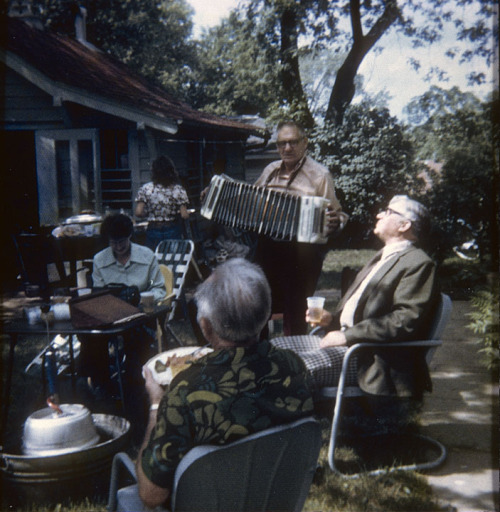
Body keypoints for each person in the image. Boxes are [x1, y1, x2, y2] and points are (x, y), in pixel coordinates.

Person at [136, 258, 314, 510]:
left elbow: (151, 495)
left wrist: (156, 405)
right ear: (264, 315)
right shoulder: (294, 367)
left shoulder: (186, 390)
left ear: (206, 327)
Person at [272, 195, 439, 399]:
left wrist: (346, 336)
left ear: (404, 225)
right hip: (351, 344)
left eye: (388, 212)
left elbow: (404, 320)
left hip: (368, 357)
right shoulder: (382, 257)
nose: (379, 215)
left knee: (289, 368)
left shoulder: (418, 263)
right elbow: (363, 310)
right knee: (268, 351)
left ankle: (285, 425)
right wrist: (331, 320)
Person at [253, 119, 345, 336]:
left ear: (305, 142)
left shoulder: (320, 174)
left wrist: (336, 223)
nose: (287, 148)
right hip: (268, 247)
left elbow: (338, 214)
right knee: (259, 303)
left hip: (302, 253)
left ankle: (294, 360)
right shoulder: (270, 171)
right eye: (281, 143)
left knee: (295, 312)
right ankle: (261, 358)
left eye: (293, 142)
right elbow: (251, 199)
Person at [78, 213, 166, 411]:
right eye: (113, 242)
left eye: (122, 241)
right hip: (111, 316)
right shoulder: (100, 260)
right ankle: (101, 386)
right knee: (91, 337)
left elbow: (161, 289)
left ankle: (133, 389)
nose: (118, 247)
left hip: (140, 316)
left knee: (136, 341)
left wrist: (141, 298)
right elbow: (98, 295)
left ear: (130, 236)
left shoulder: (147, 256)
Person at [135, 155, 190, 250]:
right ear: (171, 171)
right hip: (172, 229)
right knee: (172, 260)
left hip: (153, 228)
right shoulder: (178, 189)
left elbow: (138, 212)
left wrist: (150, 213)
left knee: (154, 260)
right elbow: (184, 215)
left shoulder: (146, 188)